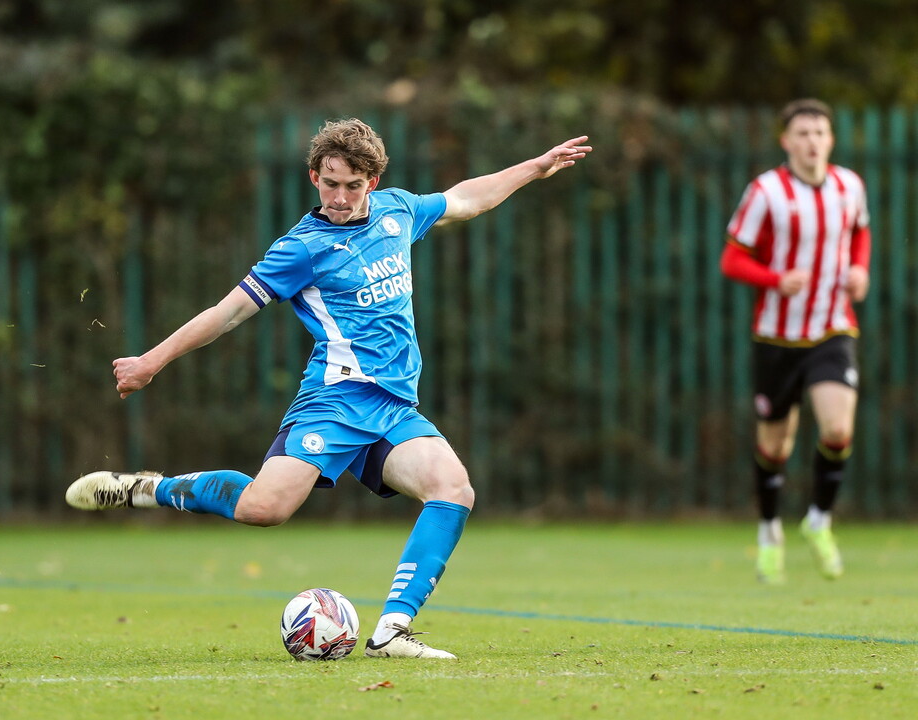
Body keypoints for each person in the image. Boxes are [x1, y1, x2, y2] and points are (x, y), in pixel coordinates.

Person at [66, 118, 592, 658]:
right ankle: (151, 489)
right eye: (330, 183)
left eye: (354, 185)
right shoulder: (302, 247)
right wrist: (152, 361)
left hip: (393, 408)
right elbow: (228, 313)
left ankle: (391, 631)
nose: (340, 196)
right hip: (334, 403)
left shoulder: (398, 212)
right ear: (314, 176)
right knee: (262, 509)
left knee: (453, 489)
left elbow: (465, 199)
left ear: (373, 181)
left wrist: (535, 167)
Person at [720, 98, 871, 584]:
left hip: (833, 328)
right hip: (777, 337)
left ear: (831, 139)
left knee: (837, 429)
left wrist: (859, 270)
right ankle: (769, 531)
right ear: (786, 141)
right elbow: (732, 259)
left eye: (820, 133)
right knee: (775, 445)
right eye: (802, 134)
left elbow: (860, 234)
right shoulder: (766, 191)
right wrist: (774, 278)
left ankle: (819, 520)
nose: (812, 142)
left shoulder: (850, 186)